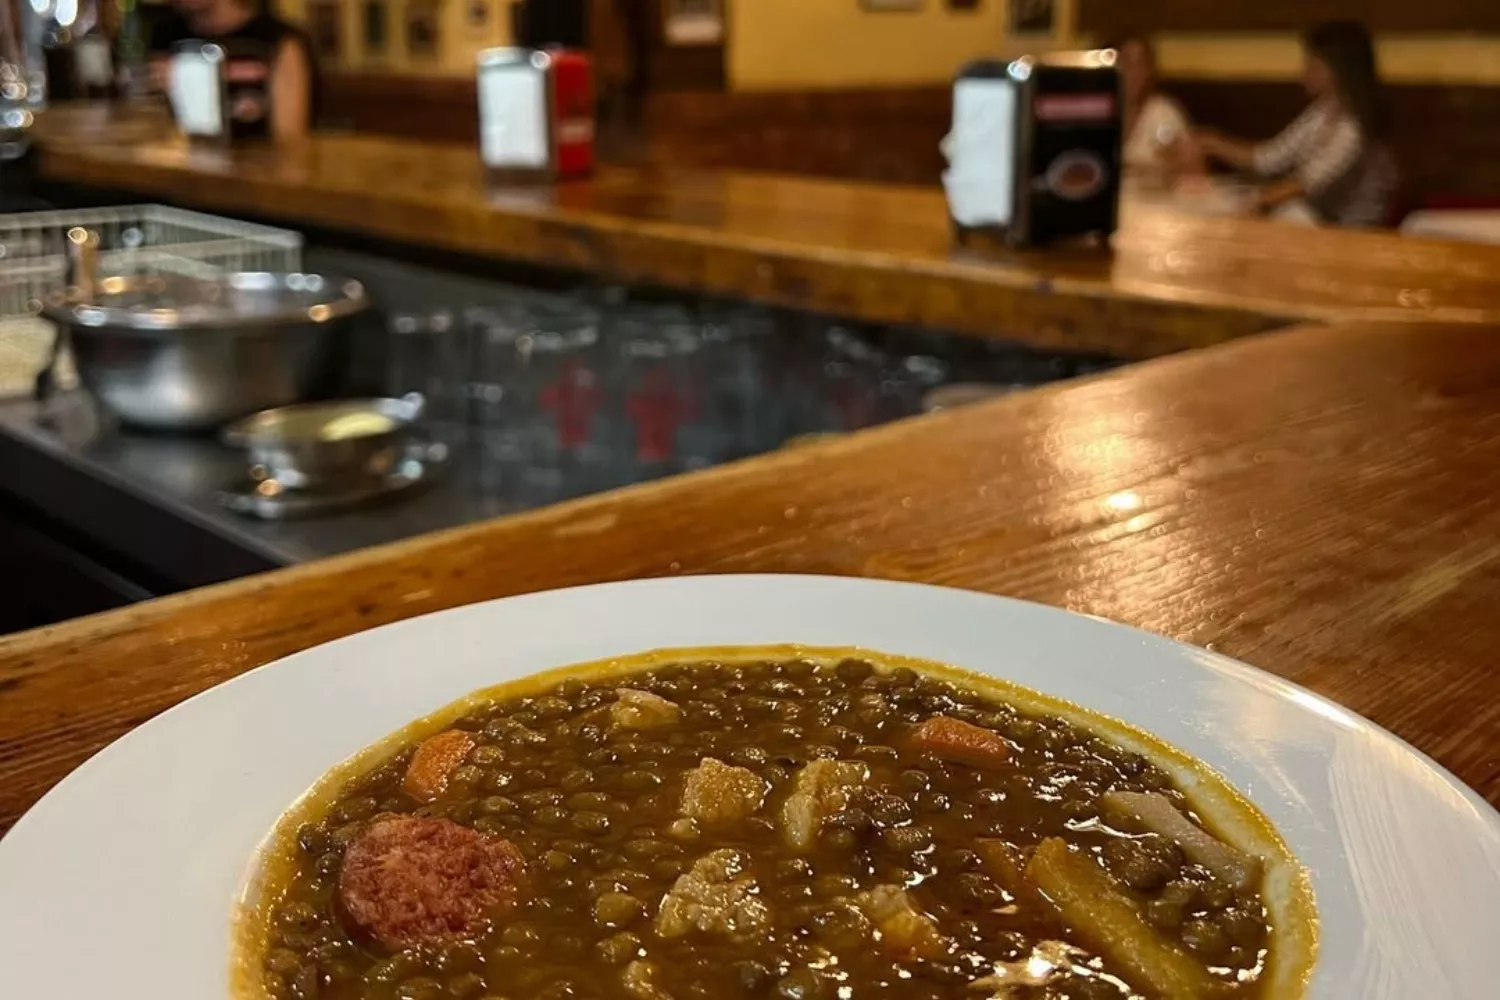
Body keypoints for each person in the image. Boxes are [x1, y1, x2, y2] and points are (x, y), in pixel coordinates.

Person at [1195, 21, 1397, 226]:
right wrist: (1212, 143)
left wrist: (1252, 201)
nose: (1303, 72)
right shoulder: (1322, 111)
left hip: (1354, 230)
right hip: (1320, 220)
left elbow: (1306, 183)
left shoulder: (1355, 126)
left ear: (1338, 69)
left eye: (1311, 64)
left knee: (1291, 214)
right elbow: (1270, 157)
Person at [148, 0, 315, 140]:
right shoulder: (164, 36)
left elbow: (289, 140)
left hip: (254, 172)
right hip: (180, 171)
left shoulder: (278, 41)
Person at [1113, 35, 1200, 180]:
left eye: (1140, 64)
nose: (1133, 72)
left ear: (1149, 71)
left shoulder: (1162, 113)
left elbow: (1194, 169)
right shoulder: (1094, 114)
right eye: (1125, 63)